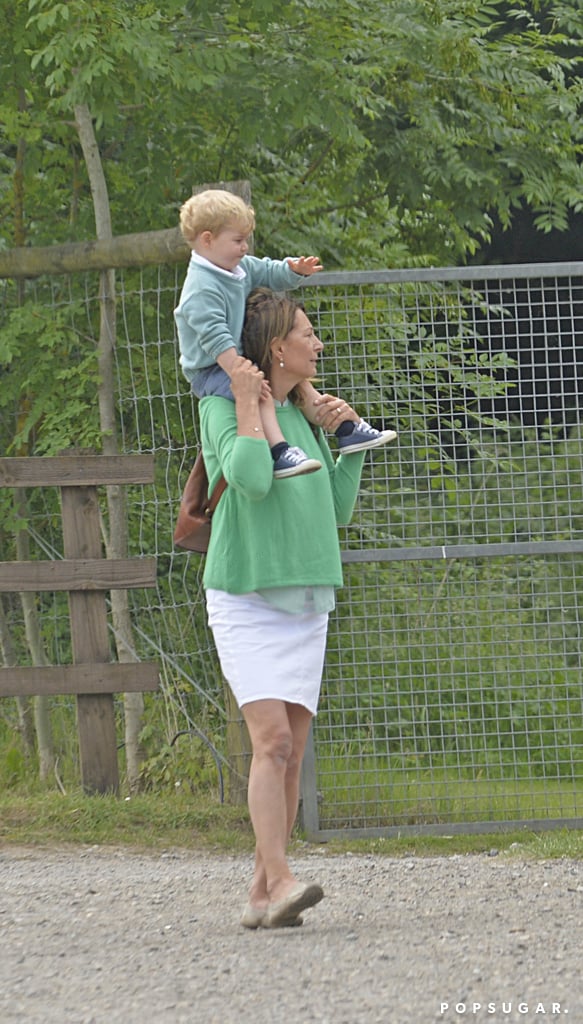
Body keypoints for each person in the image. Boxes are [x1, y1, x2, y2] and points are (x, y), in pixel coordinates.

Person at [199, 287, 374, 929]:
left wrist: (348, 444)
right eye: (307, 333)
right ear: (278, 348)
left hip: (307, 597)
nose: (317, 343)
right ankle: (281, 881)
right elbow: (248, 479)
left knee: (291, 754)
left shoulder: (305, 416)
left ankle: (259, 892)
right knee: (269, 741)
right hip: (246, 595)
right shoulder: (221, 408)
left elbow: (334, 513)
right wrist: (249, 404)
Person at [174, 188, 396, 479]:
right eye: (238, 241)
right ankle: (279, 451)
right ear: (207, 239)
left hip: (233, 354)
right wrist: (242, 373)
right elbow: (213, 336)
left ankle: (346, 429)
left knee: (300, 384)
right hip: (212, 368)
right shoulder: (201, 287)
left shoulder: (234, 267)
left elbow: (267, 270)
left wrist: (294, 270)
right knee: (260, 391)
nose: (244, 248)